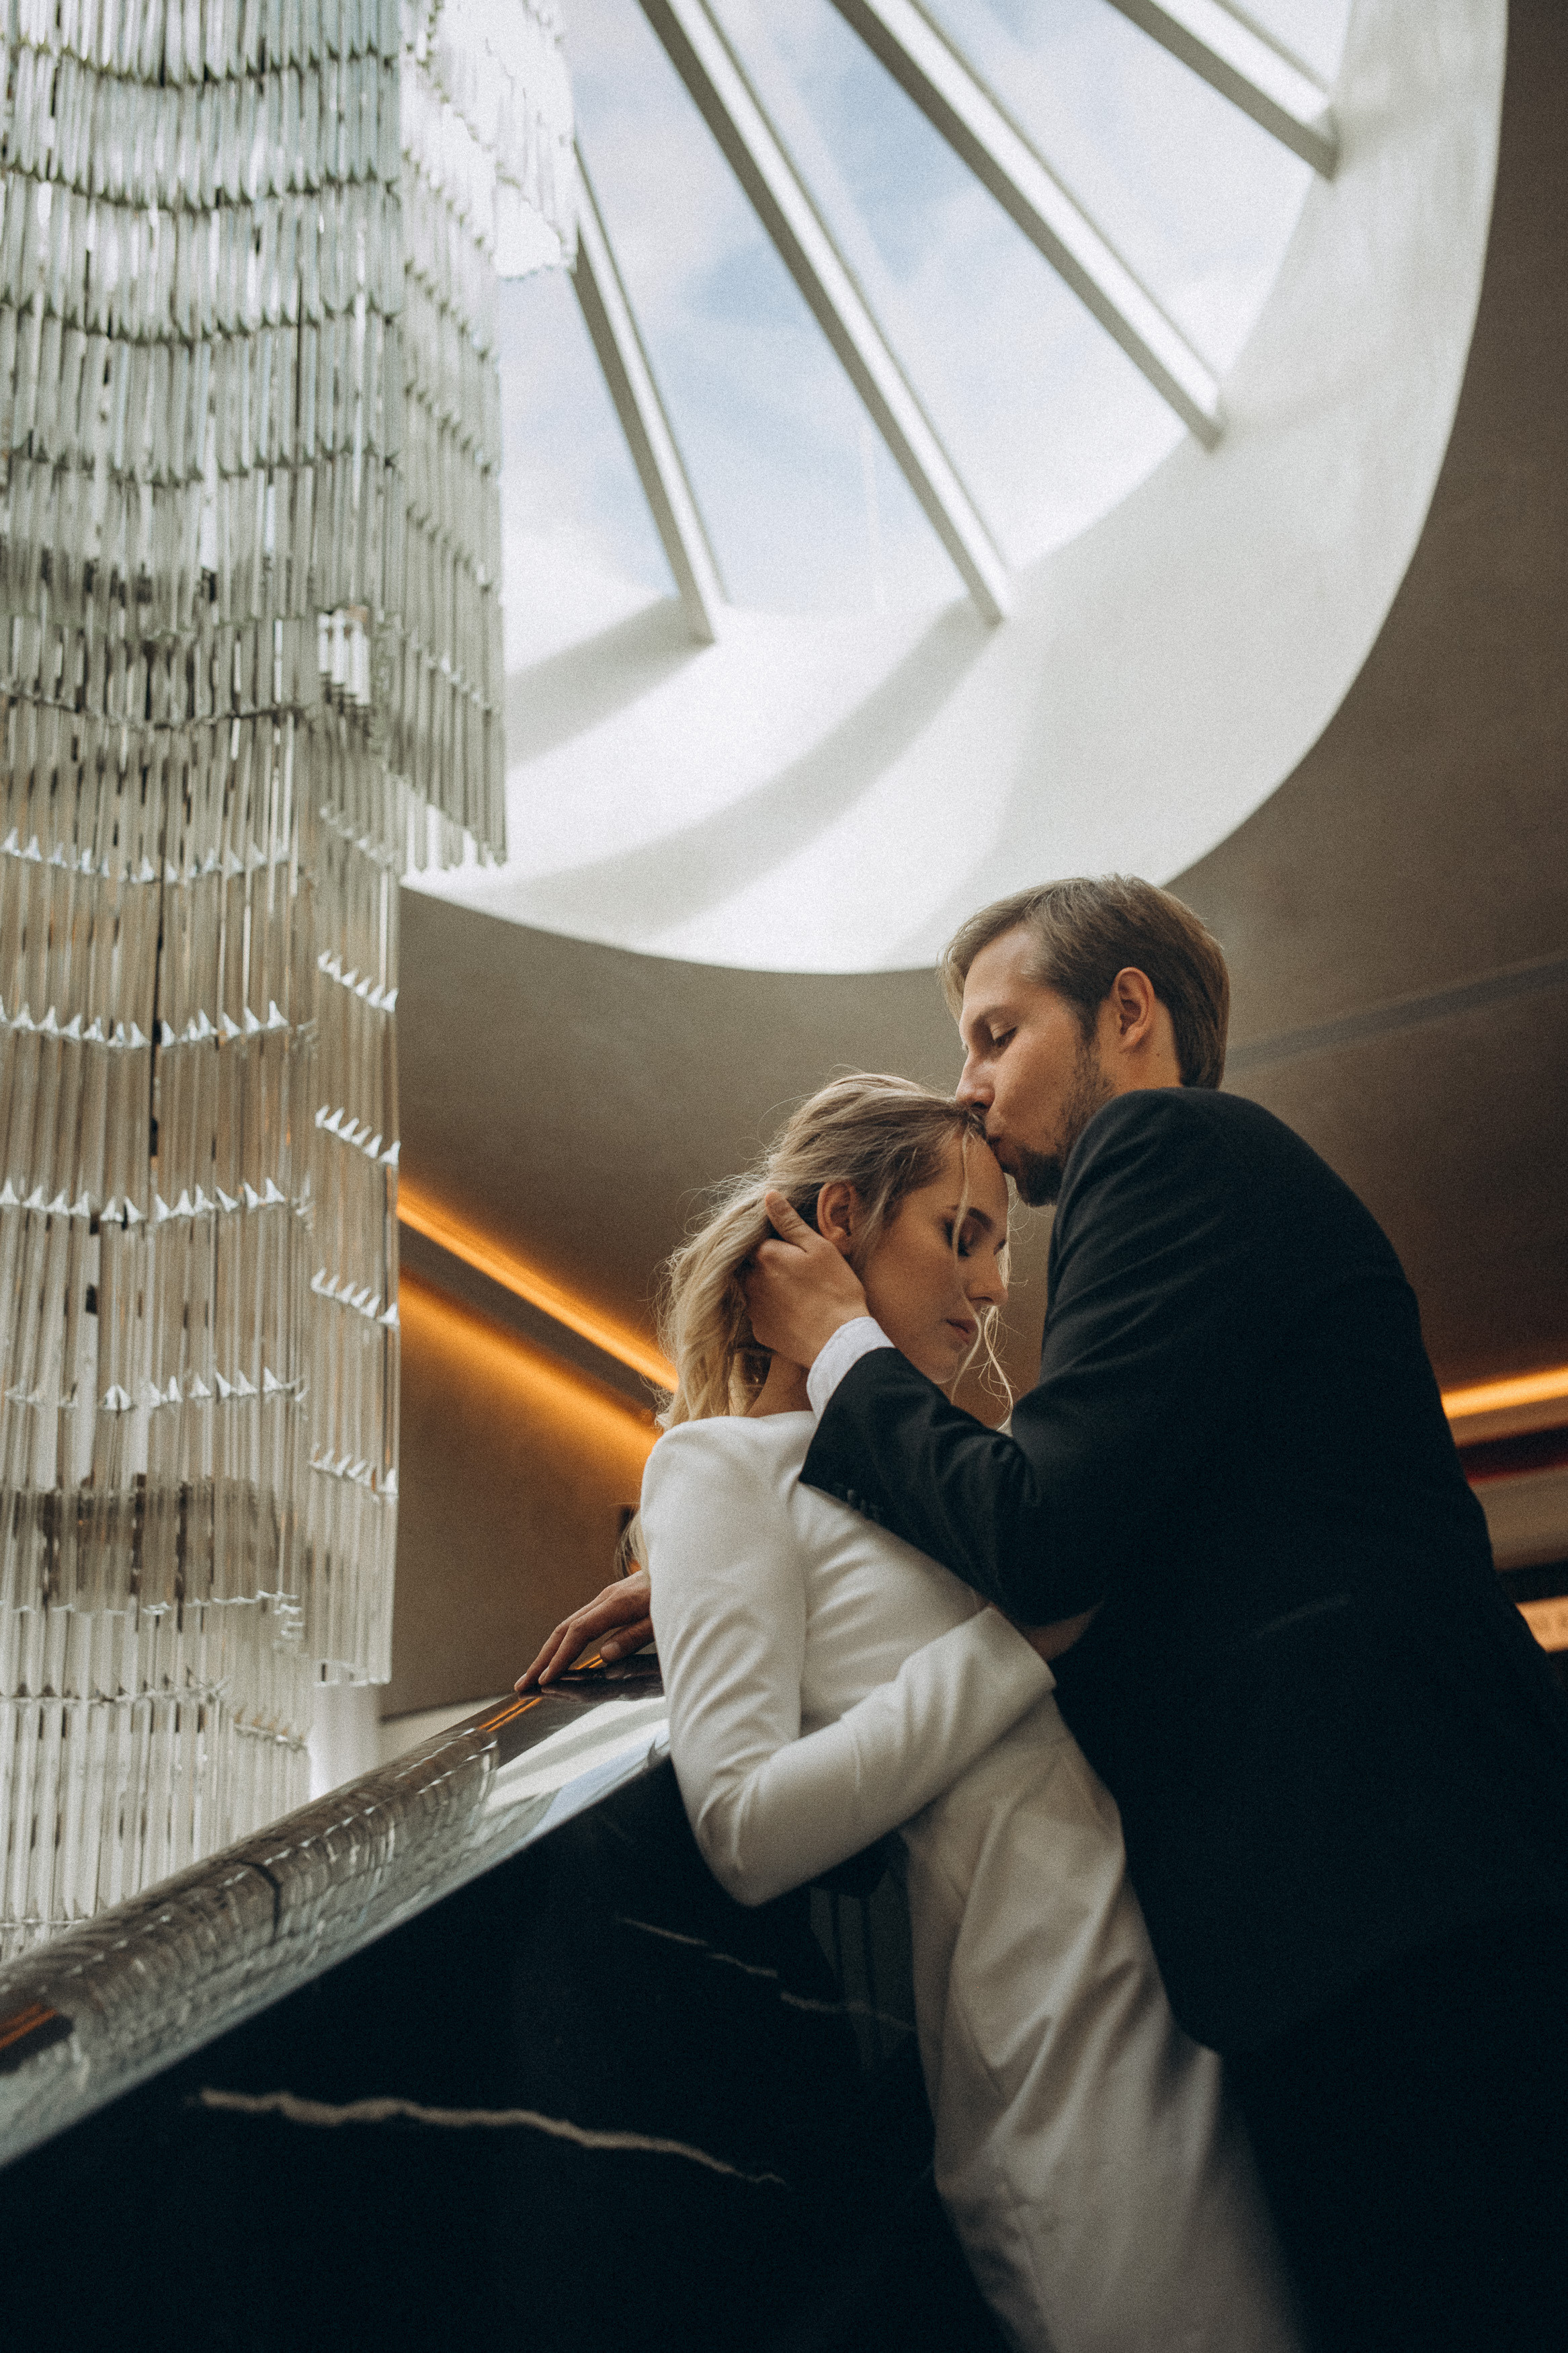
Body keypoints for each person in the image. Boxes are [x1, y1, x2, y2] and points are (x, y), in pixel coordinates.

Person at [727, 879, 1568, 2353]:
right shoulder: (1206, 1199)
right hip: (1391, 1912)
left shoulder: (1163, 1145)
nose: (972, 1087)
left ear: (1127, 1011)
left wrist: (843, 1352)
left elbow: (1040, 1537)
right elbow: (1070, 1547)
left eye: (996, 1032)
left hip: (1395, 1913)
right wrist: (746, 1533)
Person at [579, 1072, 1303, 2353]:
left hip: (1186, 1993)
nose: (988, 1288)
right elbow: (741, 1830)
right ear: (842, 1219)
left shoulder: (956, 1471)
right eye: (958, 1235)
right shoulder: (715, 1469)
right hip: (1051, 2046)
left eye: (1001, 1249)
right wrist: (1010, 1647)